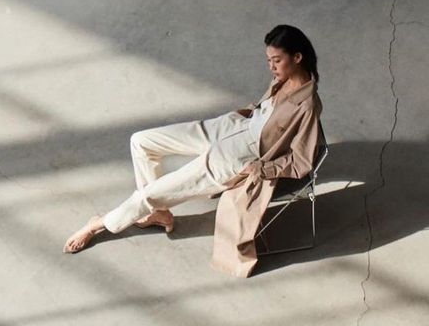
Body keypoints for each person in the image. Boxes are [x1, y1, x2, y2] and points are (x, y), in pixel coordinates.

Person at [62, 24, 322, 257]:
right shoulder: (282, 79)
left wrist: (259, 168)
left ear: (297, 58)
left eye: (276, 61)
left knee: (147, 195)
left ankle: (100, 223)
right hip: (231, 127)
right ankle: (157, 213)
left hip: (237, 156)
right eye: (268, 60)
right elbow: (267, 113)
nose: (271, 67)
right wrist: (250, 111)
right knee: (141, 141)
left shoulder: (307, 105)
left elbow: (302, 161)